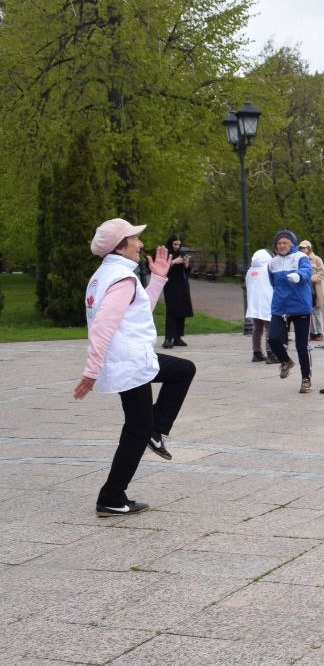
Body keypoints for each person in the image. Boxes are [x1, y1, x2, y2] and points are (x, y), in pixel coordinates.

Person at [75, 218, 196, 517]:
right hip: (129, 363)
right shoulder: (122, 278)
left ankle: (154, 433)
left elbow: (138, 309)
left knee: (182, 371)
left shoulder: (105, 275)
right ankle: (112, 497)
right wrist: (91, 370)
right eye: (135, 239)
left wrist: (157, 279)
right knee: (136, 430)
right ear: (120, 245)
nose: (140, 244)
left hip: (130, 360)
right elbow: (102, 326)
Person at [266, 230, 313, 394]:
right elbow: (273, 283)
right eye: (279, 243)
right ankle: (285, 361)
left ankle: (306, 379)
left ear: (292, 243)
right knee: (273, 339)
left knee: (302, 346)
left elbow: (308, 272)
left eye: (285, 242)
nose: (281, 246)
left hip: (300, 306)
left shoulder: (301, 257)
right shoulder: (272, 262)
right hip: (280, 307)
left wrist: (298, 275)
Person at [160, 235, 192, 349]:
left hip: (182, 285)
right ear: (170, 243)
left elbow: (186, 271)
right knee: (172, 311)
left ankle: (178, 337)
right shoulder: (165, 253)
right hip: (171, 285)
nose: (177, 247)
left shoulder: (181, 253)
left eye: (179, 244)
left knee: (181, 310)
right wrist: (173, 261)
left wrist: (186, 263)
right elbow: (161, 268)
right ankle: (168, 338)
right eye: (175, 244)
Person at [245, 248, 273, 362]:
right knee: (270, 328)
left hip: (253, 304)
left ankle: (256, 352)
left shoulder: (250, 270)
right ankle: (271, 353)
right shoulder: (268, 268)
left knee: (257, 329)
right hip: (267, 302)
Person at [298, 240, 324, 342]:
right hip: (305, 290)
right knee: (307, 311)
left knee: (317, 311)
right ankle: (312, 332)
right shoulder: (300, 260)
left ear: (309, 248)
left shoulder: (317, 259)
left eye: (304, 248)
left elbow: (322, 273)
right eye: (300, 248)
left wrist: (311, 278)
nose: (302, 250)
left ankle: (320, 332)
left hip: (315, 290)